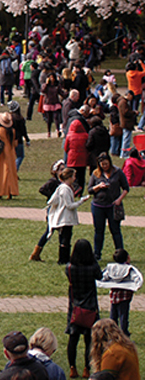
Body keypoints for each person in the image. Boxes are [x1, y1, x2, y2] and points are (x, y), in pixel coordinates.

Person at [66, 239, 102, 378]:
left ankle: (72, 368)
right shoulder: (92, 267)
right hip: (90, 306)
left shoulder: (70, 267)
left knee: (73, 338)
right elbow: (100, 275)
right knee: (89, 340)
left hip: (75, 307)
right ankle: (87, 368)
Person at [88, 153, 129, 261]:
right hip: (98, 206)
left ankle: (121, 254)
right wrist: (99, 186)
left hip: (113, 206)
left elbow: (126, 188)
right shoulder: (96, 174)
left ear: (110, 162)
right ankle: (97, 254)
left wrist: (119, 199)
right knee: (99, 230)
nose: (104, 166)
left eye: (106, 164)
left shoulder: (117, 172)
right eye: (102, 164)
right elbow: (90, 190)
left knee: (115, 230)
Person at [97, 249, 143, 337]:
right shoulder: (129, 268)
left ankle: (111, 333)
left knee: (113, 315)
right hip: (125, 297)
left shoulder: (111, 268)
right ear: (127, 258)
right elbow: (136, 278)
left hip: (114, 296)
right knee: (123, 316)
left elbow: (103, 277)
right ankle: (124, 334)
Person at [0, 112, 19, 199]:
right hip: (11, 153)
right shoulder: (13, 131)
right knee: (10, 173)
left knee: (0, 173)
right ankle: (10, 192)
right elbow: (15, 143)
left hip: (1, 154)